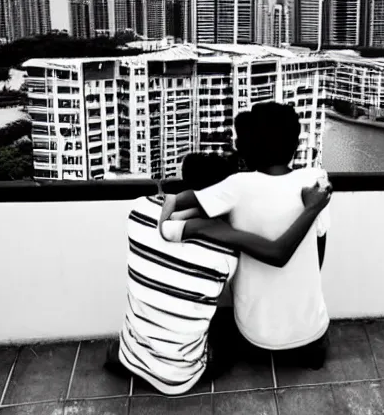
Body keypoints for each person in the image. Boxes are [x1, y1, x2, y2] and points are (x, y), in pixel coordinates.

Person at [106, 152, 332, 395]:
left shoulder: (138, 209)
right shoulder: (223, 253)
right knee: (227, 333)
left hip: (129, 354)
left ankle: (134, 358)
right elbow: (273, 256)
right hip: (182, 378)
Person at [159, 102, 332, 369]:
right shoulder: (316, 180)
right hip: (313, 334)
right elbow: (320, 249)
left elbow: (180, 204)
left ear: (248, 149)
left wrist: (172, 201)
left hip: (256, 338)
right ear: (294, 146)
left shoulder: (237, 186)